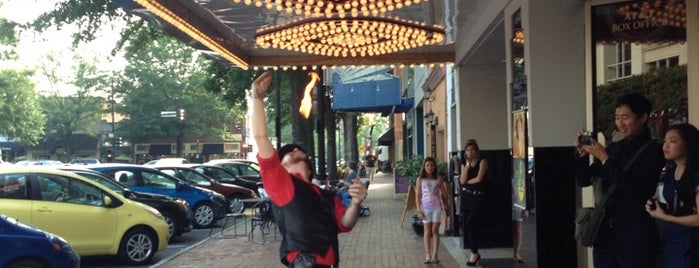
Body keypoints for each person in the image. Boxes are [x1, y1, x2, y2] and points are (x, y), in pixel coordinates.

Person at [249, 71, 368, 268]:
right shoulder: (283, 185)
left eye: (297, 150)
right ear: (281, 166)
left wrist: (355, 203)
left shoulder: (327, 196)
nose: (294, 149)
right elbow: (261, 138)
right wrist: (257, 98)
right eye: (288, 152)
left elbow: (345, 223)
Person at [575, 93, 664, 268]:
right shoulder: (615, 148)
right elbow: (584, 181)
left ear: (643, 118)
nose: (620, 123)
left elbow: (631, 189)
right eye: (617, 117)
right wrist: (582, 156)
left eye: (626, 117)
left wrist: (604, 158)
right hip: (605, 235)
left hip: (635, 238)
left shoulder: (653, 150)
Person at [646, 123, 699, 268]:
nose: (666, 146)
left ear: (688, 144)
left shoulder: (695, 174)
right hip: (673, 239)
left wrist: (665, 216)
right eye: (665, 141)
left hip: (692, 242)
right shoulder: (669, 172)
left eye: (673, 141)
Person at [459, 139, 488, 266]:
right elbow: (462, 180)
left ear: (477, 150)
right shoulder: (464, 163)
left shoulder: (483, 162)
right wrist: (466, 166)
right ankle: (474, 252)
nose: (470, 152)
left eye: (472, 150)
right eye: (468, 150)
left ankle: (474, 253)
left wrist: (467, 182)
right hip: (466, 197)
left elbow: (479, 178)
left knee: (471, 223)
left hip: (477, 197)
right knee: (467, 225)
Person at [415, 157, 447, 264]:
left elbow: (443, 192)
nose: (430, 167)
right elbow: (418, 195)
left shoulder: (438, 178)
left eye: (432, 165)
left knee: (435, 230)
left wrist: (446, 205)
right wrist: (419, 210)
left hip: (436, 207)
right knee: (427, 231)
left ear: (435, 166)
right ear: (424, 167)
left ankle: (435, 254)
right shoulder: (420, 179)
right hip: (425, 207)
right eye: (427, 165)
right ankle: (428, 254)